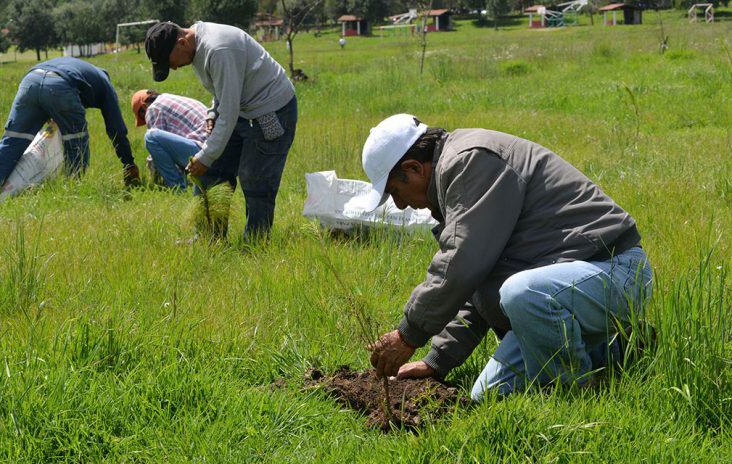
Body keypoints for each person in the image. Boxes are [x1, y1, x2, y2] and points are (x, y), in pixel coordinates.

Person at [359, 114, 653, 398]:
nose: (399, 205)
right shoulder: (456, 177)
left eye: (396, 191)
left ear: (414, 168)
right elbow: (474, 283)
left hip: (613, 270)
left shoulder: (469, 162)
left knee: (521, 293)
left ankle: (575, 396)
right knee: (487, 395)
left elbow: (461, 266)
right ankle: (615, 348)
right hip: (560, 290)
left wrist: (408, 335)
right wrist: (438, 359)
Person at [144, 21, 297, 237]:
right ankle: (209, 241)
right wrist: (212, 112)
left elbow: (230, 110)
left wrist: (205, 156)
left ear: (181, 42)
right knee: (212, 174)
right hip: (241, 110)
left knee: (255, 180)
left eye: (171, 63)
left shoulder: (218, 49)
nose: (175, 68)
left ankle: (255, 244)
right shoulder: (196, 46)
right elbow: (224, 91)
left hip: (271, 111)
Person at [0, 57, 139, 193]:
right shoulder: (105, 85)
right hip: (60, 85)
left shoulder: (80, 69)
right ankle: (72, 190)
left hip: (30, 81)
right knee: (77, 144)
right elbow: (116, 128)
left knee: (11, 142)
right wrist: (128, 163)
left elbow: (45, 90)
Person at [131, 89, 237, 192]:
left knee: (151, 137)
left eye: (143, 118)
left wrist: (153, 180)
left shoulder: (153, 108)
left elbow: (156, 151)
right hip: (218, 152)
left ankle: (177, 188)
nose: (146, 121)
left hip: (203, 153)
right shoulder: (170, 99)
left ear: (144, 107)